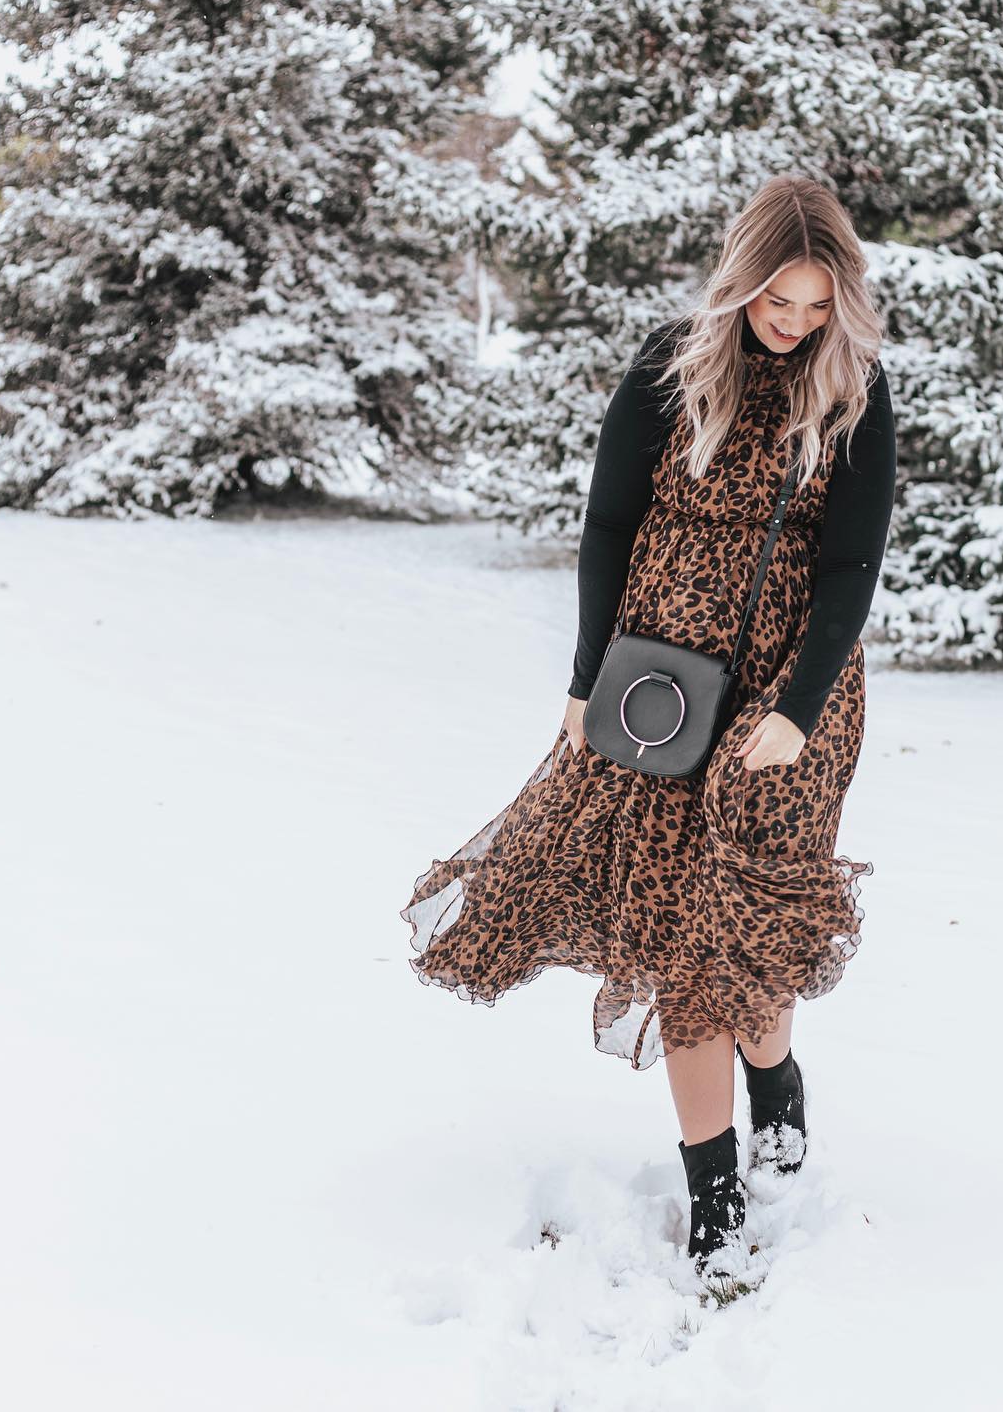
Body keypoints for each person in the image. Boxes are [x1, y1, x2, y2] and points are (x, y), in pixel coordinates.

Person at [401, 175, 898, 1274]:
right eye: (782, 299)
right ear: (743, 277)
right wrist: (585, 681)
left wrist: (799, 710)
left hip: (790, 702)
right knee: (686, 942)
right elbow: (609, 524)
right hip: (664, 690)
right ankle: (714, 1189)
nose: (797, 322)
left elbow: (852, 566)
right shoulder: (670, 368)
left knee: (748, 929)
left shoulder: (854, 391)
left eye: (818, 306)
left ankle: (778, 1075)